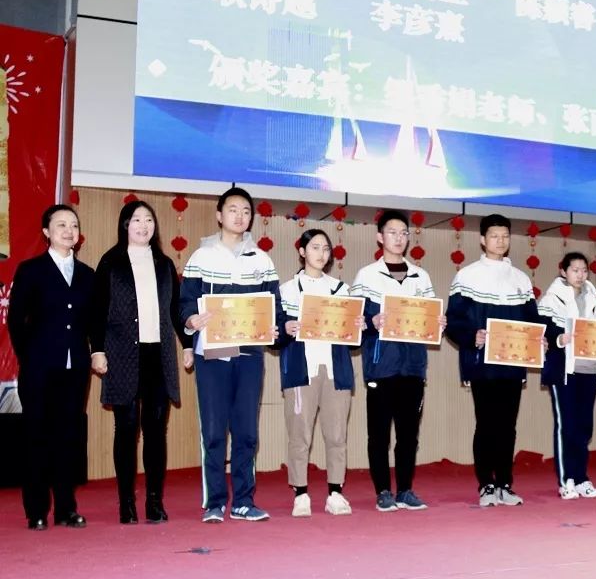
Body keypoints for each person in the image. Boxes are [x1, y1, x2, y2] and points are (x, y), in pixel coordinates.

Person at [180, 187, 284, 523]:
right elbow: (184, 302)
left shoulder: (262, 260)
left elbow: (275, 308)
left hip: (250, 353)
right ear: (219, 215)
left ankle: (243, 500)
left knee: (246, 430)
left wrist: (275, 329)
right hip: (213, 352)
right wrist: (191, 320)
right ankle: (214, 502)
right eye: (233, 210)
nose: (240, 216)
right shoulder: (201, 256)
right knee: (213, 430)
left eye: (246, 211)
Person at [90, 200, 193, 525]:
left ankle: (154, 501)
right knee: (126, 429)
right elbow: (97, 310)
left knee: (156, 431)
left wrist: (188, 344)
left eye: (148, 219)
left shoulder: (164, 264)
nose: (143, 225)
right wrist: (97, 350)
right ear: (125, 224)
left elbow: (175, 310)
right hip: (122, 355)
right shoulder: (111, 262)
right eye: (136, 219)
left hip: (158, 356)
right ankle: (126, 503)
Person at [445, 214, 542, 507]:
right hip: (481, 363)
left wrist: (540, 338)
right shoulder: (467, 276)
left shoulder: (521, 279)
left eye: (505, 236)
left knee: (508, 425)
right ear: (482, 239)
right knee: (486, 423)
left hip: (513, 364)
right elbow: (453, 320)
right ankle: (486, 484)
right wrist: (471, 336)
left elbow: (533, 321)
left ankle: (505, 484)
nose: (500, 241)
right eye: (494, 236)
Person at [8, 204, 95, 530]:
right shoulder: (31, 270)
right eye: (61, 225)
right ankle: (36, 511)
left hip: (76, 368)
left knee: (68, 438)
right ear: (46, 232)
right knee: (37, 437)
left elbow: (93, 322)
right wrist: (30, 357)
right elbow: (16, 321)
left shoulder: (87, 274)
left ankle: (66, 509)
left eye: (74, 225)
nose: (69, 231)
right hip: (39, 369)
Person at [352, 210, 444, 512]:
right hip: (381, 367)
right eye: (392, 232)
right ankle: (383, 491)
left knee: (408, 434)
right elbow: (353, 320)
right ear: (380, 237)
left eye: (404, 232)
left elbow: (429, 317)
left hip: (413, 367)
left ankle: (405, 489)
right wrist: (371, 320)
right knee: (379, 434)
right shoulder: (366, 275)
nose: (399, 238)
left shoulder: (421, 276)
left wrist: (438, 323)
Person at [277, 229, 364, 517]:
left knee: (337, 434)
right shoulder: (286, 290)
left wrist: (358, 328)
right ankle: (300, 493)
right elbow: (274, 336)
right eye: (315, 247)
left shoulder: (342, 290)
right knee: (299, 435)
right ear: (302, 252)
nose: (321, 253)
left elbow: (354, 341)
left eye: (326, 248)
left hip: (335, 371)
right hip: (301, 371)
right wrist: (286, 329)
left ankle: (335, 492)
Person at [538, 252, 596, 499]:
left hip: (589, 367)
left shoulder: (594, 298)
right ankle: (566, 479)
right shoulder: (552, 297)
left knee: (584, 426)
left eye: (584, 270)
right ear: (563, 271)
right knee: (567, 425)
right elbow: (543, 326)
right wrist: (559, 337)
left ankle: (581, 478)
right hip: (564, 369)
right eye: (575, 270)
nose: (580, 274)